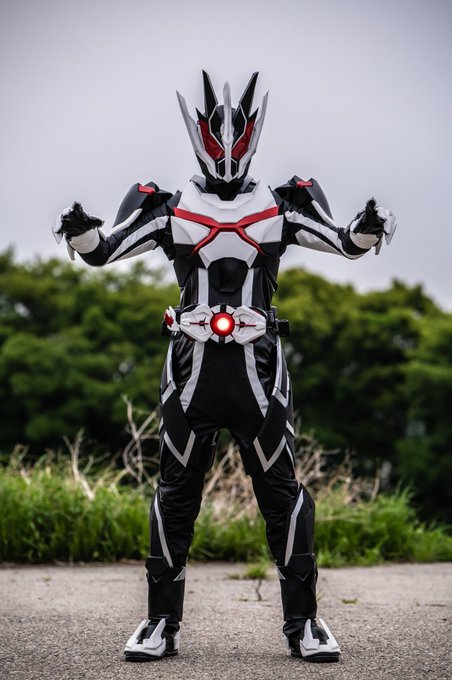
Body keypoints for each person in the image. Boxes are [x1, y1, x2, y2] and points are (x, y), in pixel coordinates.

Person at [54, 71, 396, 663]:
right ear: (199, 136)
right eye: (218, 140)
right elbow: (102, 252)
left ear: (252, 136)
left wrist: (369, 225)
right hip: (192, 372)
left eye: (235, 140)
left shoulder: (282, 204)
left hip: (258, 372)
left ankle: (305, 624)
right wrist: (80, 228)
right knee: (175, 495)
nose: (228, 153)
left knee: (282, 495)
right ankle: (160, 622)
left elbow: (345, 242)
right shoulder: (167, 206)